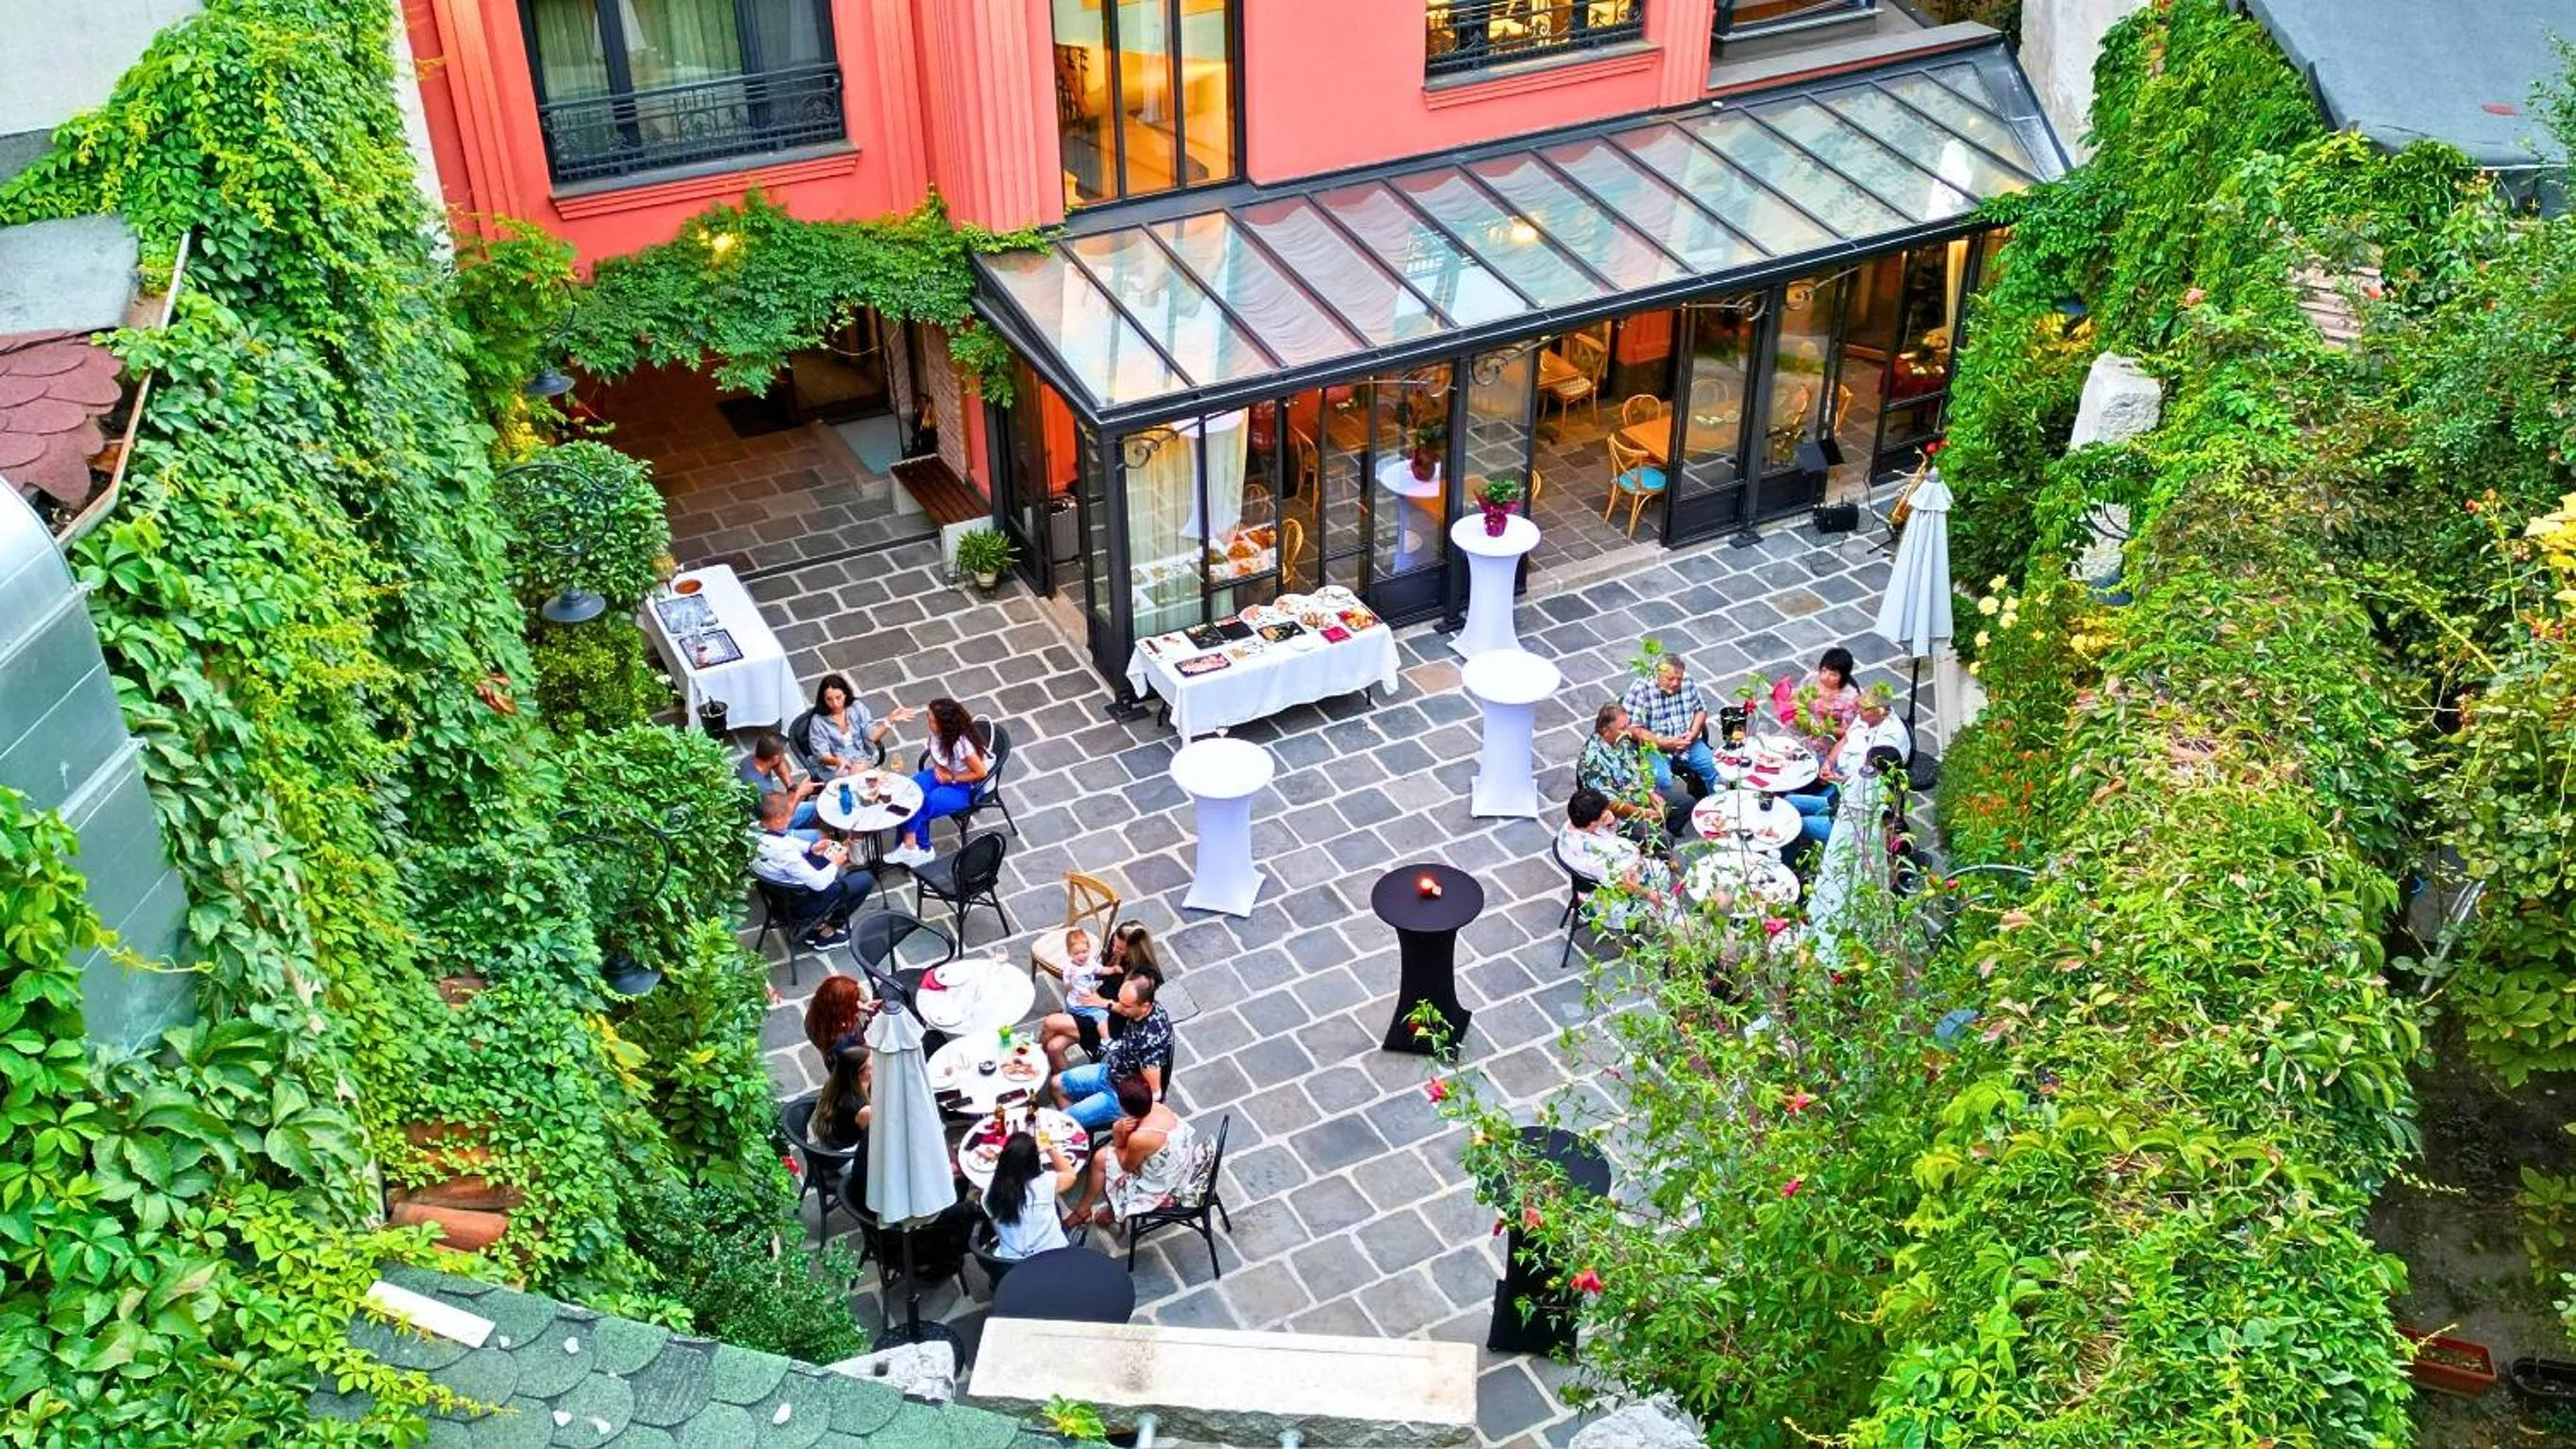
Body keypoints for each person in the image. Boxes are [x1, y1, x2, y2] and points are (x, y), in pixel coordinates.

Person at [1063, 1077, 1196, 1230]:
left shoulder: (1140, 1138)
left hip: (1164, 1181)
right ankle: (1088, 1211)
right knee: (1108, 1155)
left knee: (1101, 1159)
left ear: (1124, 1107)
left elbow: (1127, 1166)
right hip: (1178, 1160)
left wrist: (1117, 1133)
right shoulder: (1158, 1108)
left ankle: (1102, 1213)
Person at [1784, 689, 1914, 843]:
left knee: (1798, 823)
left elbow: (1855, 812)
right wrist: (1828, 763)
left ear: (1879, 711)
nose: (1857, 712)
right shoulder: (1867, 717)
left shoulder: (1888, 745)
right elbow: (1846, 738)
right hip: (1840, 793)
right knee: (1790, 798)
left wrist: (1840, 780)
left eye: (1862, 709)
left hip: (1845, 821)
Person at [1051, 974, 1171, 1133]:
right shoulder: (1146, 1006)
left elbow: (1155, 1092)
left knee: (1061, 1122)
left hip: (1120, 1096)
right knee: (1055, 1085)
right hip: (1111, 1069)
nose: (1121, 1007)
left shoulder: (1149, 1043)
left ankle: (1072, 1131)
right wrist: (1103, 1003)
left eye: (1127, 1006)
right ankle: (1078, 1133)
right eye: (1121, 1001)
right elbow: (1121, 1007)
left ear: (1145, 1006)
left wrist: (1134, 1121)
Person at [752, 791, 874, 942]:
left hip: (777, 894)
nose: (791, 818)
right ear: (777, 820)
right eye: (789, 815)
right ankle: (827, 933)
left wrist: (811, 848)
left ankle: (822, 921)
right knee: (865, 879)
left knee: (825, 859)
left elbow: (783, 840)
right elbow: (819, 884)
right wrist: (836, 862)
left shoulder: (752, 830)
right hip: (800, 903)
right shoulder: (784, 853)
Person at [1039, 921, 1160, 1073]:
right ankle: (1066, 1088)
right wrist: (1080, 980)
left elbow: (1133, 1012)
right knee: (1054, 1047)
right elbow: (1098, 972)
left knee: (1051, 1022)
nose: (1114, 949)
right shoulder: (1115, 946)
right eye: (1114, 943)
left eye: (1121, 948)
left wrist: (1103, 1002)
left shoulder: (1144, 976)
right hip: (1093, 1003)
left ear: (1134, 950)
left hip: (1113, 1021)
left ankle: (1034, 1055)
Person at [1555, 788, 1681, 931]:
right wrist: (1649, 894)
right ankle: (1657, 920)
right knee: (1662, 878)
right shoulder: (1593, 855)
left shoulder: (1575, 824)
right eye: (1602, 813)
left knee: (1657, 855)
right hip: (1606, 895)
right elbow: (1623, 884)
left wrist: (1610, 824)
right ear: (1592, 822)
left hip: (1611, 871)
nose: (1606, 813)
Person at [888, 698, 988, 868]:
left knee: (924, 803)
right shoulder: (938, 733)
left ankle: (917, 848)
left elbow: (980, 773)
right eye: (929, 717)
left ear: (945, 724)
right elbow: (935, 751)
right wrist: (938, 767)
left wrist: (953, 778)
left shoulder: (962, 744)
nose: (929, 723)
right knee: (909, 791)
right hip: (946, 774)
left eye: (932, 720)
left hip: (965, 786)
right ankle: (911, 847)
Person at [1575, 702, 1693, 841]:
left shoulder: (1621, 739)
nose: (1628, 731)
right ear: (1606, 731)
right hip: (1620, 816)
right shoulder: (1593, 760)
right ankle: (1656, 845)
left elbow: (1635, 769)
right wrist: (1643, 813)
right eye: (1622, 728)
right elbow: (1611, 803)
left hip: (1638, 795)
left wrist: (1650, 794)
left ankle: (1665, 834)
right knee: (1663, 839)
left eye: (1627, 726)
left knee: (1686, 802)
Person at [1621, 656, 1720, 796]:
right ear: (1658, 675)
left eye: (1678, 679)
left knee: (1715, 767)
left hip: (1687, 742)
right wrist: (1663, 742)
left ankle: (1717, 807)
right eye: (1670, 679)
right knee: (1663, 782)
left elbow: (1700, 709)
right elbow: (1632, 728)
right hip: (1655, 748)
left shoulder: (1687, 682)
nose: (1675, 683)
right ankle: (1668, 813)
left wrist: (1692, 732)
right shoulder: (1642, 689)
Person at [982, 1130, 1078, 1261]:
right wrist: (1050, 1148)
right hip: (1053, 1257)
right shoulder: (1046, 1182)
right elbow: (1070, 1175)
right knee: (1056, 1208)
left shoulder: (989, 1193)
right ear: (1034, 1161)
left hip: (1009, 1263)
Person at [797, 674, 917, 776]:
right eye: (829, 699)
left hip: (860, 758)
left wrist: (889, 721)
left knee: (863, 771)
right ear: (823, 700)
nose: (835, 703)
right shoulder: (818, 721)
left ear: (845, 694)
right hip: (835, 767)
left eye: (838, 697)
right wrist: (838, 761)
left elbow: (872, 736)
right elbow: (823, 755)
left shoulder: (856, 707)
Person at [740, 732, 823, 837]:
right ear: (775, 758)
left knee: (817, 808)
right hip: (766, 830)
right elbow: (782, 818)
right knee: (819, 836)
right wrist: (799, 794)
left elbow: (779, 763)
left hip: (772, 815)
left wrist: (790, 786)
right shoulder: (762, 790)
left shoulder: (750, 760)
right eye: (782, 755)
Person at [813, 1035, 874, 1150]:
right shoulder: (862, 1109)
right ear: (861, 1073)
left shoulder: (836, 1084)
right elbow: (877, 1140)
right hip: (845, 1158)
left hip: (830, 1145)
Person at [1797, 647, 1863, 753]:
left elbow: (1847, 732)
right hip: (1801, 727)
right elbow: (1796, 701)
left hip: (1827, 738)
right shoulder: (1811, 679)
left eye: (1833, 674)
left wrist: (1825, 728)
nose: (1826, 677)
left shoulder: (1850, 697)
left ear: (1843, 676)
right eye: (1824, 670)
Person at [804, 974, 867, 1074]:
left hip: (834, 1064)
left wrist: (856, 1007)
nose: (859, 1001)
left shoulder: (817, 1015)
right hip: (850, 1073)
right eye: (854, 1001)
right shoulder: (844, 1041)